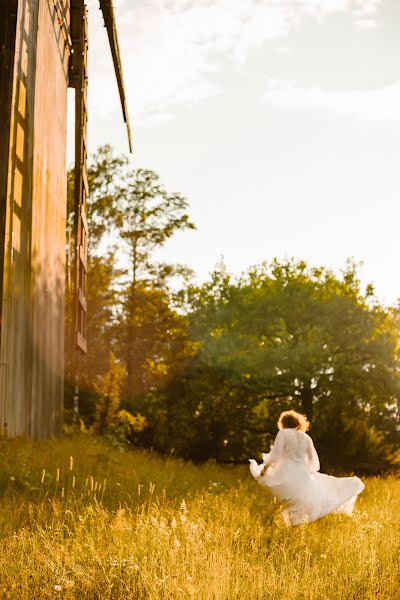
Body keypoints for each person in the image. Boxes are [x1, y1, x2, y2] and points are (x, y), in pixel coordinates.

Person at [249, 409, 365, 526]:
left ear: (283, 423)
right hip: (302, 474)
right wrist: (308, 472)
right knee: (297, 501)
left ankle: (269, 523)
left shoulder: (283, 433)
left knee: (275, 494)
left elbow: (275, 454)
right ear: (298, 422)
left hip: (284, 472)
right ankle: (289, 525)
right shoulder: (306, 438)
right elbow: (312, 460)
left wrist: (265, 468)